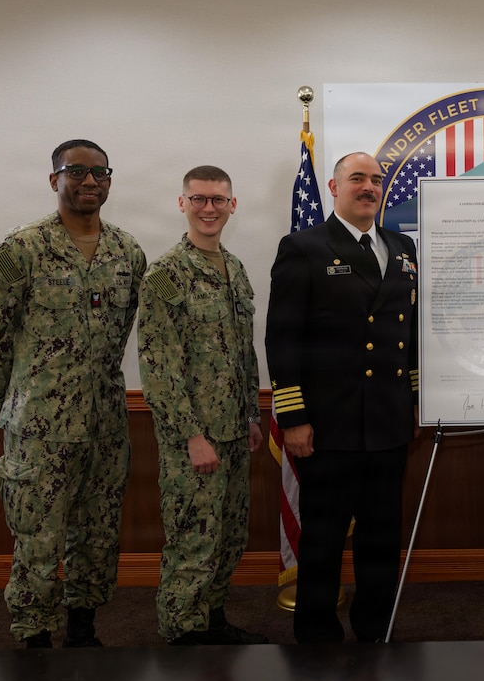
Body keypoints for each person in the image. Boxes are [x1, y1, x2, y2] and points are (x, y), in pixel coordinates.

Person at [0, 139, 146, 648]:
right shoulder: (18, 250)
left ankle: (83, 630)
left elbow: (123, 331)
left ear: (109, 181)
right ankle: (34, 640)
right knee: (38, 538)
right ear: (55, 180)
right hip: (41, 426)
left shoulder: (127, 252)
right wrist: (15, 397)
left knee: (97, 533)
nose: (89, 181)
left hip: (106, 423)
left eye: (99, 173)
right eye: (76, 172)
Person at [265, 152, 419, 643]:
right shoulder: (304, 247)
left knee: (381, 537)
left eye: (376, 180)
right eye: (358, 179)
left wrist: (412, 401)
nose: (369, 187)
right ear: (333, 187)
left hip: (387, 420)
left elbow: (408, 333)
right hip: (326, 425)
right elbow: (282, 338)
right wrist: (292, 416)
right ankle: (315, 634)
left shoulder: (401, 246)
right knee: (324, 540)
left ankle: (375, 628)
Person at [137, 165, 267, 645]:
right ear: (182, 203)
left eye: (218, 199)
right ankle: (181, 636)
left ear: (233, 205)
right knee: (193, 540)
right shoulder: (166, 275)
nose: (208, 208)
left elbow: (243, 350)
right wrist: (192, 436)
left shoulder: (234, 269)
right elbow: (159, 364)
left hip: (234, 430)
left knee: (229, 537)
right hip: (194, 437)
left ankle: (211, 622)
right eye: (199, 199)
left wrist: (252, 415)